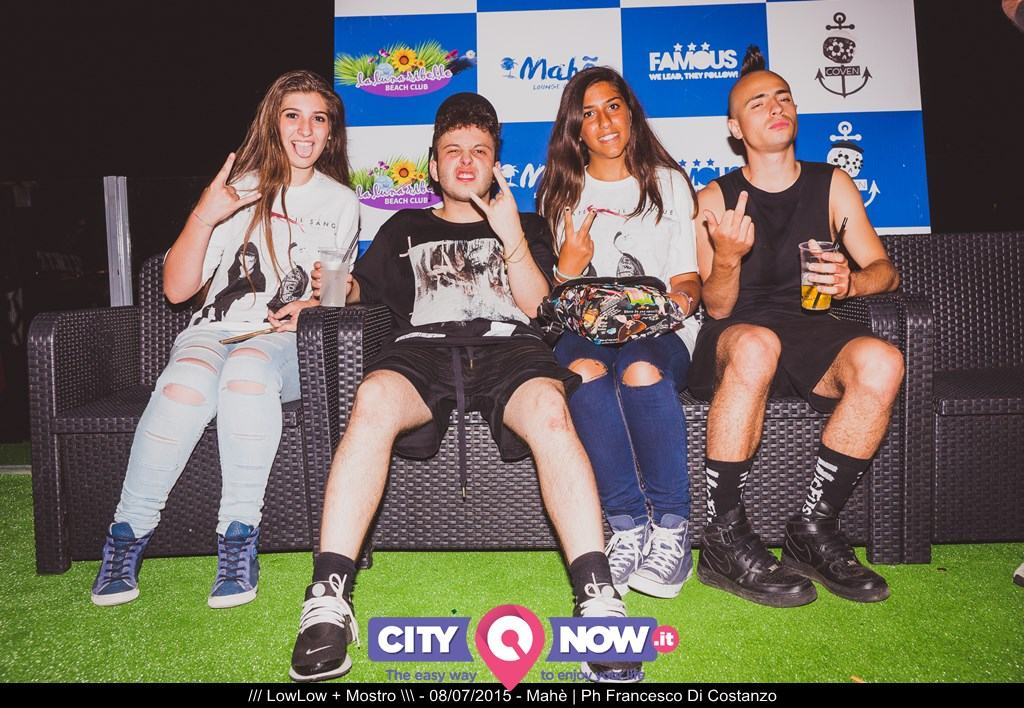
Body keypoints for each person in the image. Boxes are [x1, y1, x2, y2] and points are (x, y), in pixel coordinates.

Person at [289, 93, 640, 684]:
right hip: (422, 350)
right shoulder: (404, 227)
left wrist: (510, 235)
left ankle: (597, 597)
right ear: (434, 165)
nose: (467, 160)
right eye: (453, 150)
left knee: (551, 410)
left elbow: (540, 309)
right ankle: (328, 598)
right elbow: (357, 291)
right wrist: (330, 289)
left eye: (480, 150)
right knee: (372, 398)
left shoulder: (526, 225)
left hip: (511, 348)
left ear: (496, 163)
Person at [90, 70, 359, 609]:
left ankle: (238, 537)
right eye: (293, 116)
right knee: (184, 385)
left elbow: (333, 296)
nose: (306, 130)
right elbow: (176, 290)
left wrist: (321, 304)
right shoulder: (238, 189)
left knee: (247, 371)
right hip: (213, 330)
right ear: (272, 123)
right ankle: (126, 534)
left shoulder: (341, 202)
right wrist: (204, 214)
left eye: (318, 119)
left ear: (331, 132)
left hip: (282, 341)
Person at [689, 47, 903, 607]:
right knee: (757, 344)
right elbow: (715, 308)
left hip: (811, 326)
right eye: (757, 102)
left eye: (783, 97)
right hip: (738, 332)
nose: (775, 107)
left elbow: (885, 270)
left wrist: (852, 284)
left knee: (883, 361)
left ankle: (813, 528)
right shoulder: (714, 197)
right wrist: (727, 258)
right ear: (735, 129)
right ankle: (724, 537)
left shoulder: (832, 183)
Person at [536, 67, 701, 599]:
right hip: (588, 327)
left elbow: (688, 279)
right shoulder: (562, 190)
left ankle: (672, 527)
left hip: (658, 326)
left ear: (630, 112)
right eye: (588, 114)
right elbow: (559, 295)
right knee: (582, 373)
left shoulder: (668, 183)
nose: (604, 121)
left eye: (612, 106)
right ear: (576, 129)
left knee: (641, 368)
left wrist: (676, 305)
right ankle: (627, 527)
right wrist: (568, 264)